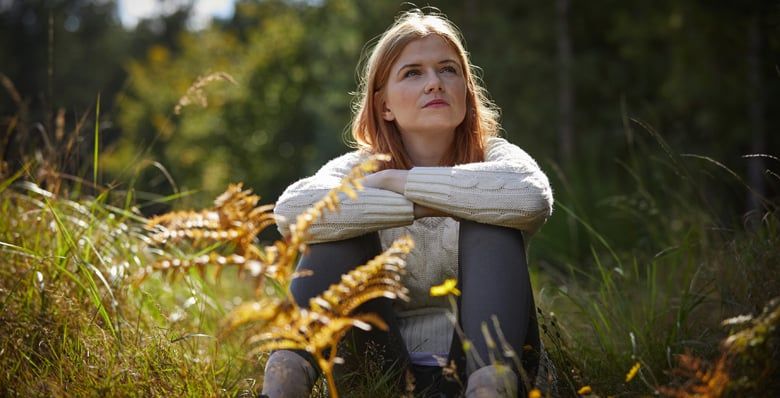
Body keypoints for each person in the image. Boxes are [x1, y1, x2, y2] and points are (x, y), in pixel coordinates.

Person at [261, 9, 553, 398]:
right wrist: (417, 205)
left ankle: (490, 390)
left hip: (484, 363)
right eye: (413, 73)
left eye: (448, 70)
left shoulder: (494, 157)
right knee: (339, 225)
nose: (434, 83)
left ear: (465, 89)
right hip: (378, 365)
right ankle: (283, 383)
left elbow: (532, 197)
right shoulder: (360, 167)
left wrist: (399, 182)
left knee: (490, 218)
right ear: (384, 106)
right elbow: (291, 212)